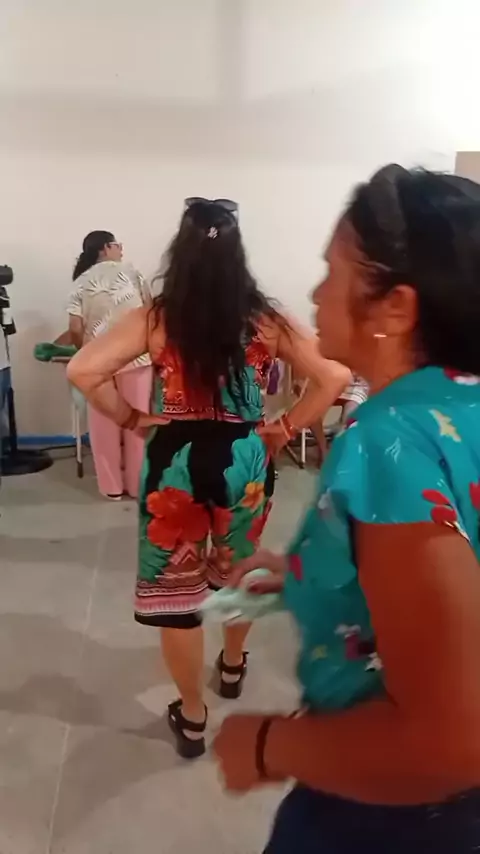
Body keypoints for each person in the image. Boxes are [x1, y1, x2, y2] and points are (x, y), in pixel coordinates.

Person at [214, 166, 480, 853]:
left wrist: (266, 744)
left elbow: (447, 745)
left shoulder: (387, 441)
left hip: (400, 816)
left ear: (395, 308)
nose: (315, 293)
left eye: (332, 273)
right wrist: (311, 574)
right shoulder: (462, 406)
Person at [67, 200, 350, 759]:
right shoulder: (265, 319)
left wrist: (132, 419)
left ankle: (193, 716)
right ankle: (234, 663)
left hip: (174, 460)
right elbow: (334, 375)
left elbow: (83, 369)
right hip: (245, 458)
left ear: (182, 252)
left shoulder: (157, 317)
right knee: (238, 570)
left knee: (177, 594)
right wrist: (283, 427)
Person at [67, 230, 152, 499]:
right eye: (117, 244)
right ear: (105, 247)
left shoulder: (81, 281)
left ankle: (111, 487)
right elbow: (150, 315)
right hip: (135, 358)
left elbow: (75, 327)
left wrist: (85, 351)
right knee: (137, 422)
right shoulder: (133, 273)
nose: (121, 249)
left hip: (97, 363)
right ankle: (137, 486)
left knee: (103, 426)